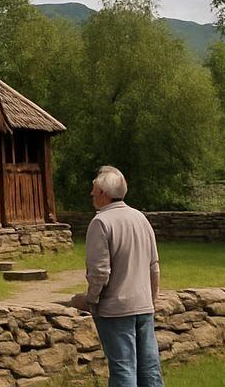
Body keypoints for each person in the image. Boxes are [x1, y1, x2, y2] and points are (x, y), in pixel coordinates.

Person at [70, 165, 163, 387]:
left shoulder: (101, 222)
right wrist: (151, 300)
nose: (91, 193)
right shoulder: (140, 218)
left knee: (123, 370)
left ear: (103, 192)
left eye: (94, 189)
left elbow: (100, 273)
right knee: (150, 369)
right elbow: (154, 266)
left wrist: (91, 300)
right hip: (143, 306)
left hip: (115, 309)